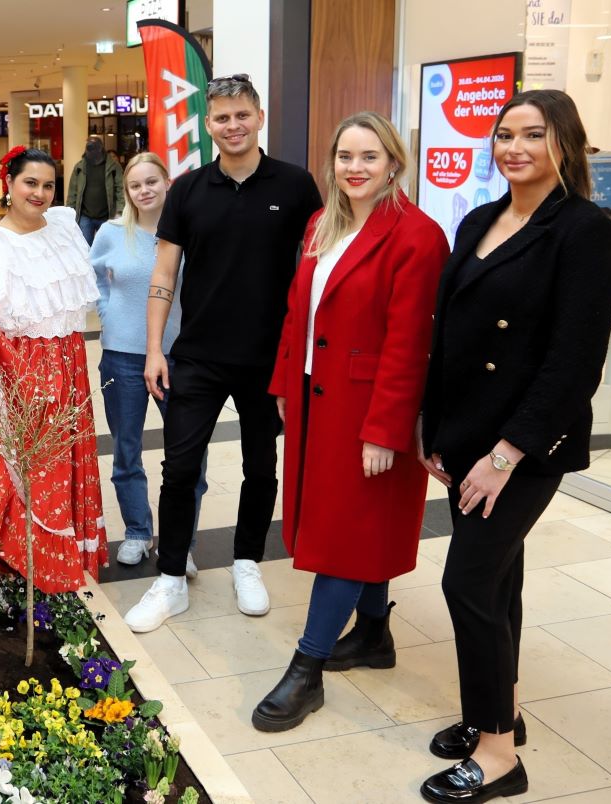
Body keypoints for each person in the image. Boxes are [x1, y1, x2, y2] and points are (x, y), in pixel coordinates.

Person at [416, 90, 611, 804]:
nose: (514, 147)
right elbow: (449, 334)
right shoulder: (480, 218)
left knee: (467, 583)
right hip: (467, 433)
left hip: (525, 445)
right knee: (499, 580)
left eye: (533, 135)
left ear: (564, 143)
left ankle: (499, 756)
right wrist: (434, 427)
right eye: (504, 134)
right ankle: (500, 715)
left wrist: (506, 455)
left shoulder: (585, 229)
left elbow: (574, 362)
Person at [250, 112, 449, 733]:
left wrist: (386, 430)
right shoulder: (322, 222)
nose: (354, 168)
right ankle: (374, 634)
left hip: (368, 410)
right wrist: (285, 384)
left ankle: (306, 669)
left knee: (346, 533)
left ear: (394, 161)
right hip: (317, 400)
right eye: (344, 156)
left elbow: (410, 342)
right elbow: (296, 313)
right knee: (350, 524)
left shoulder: (418, 236)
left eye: (369, 156)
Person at [123, 74, 323, 634]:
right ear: (207, 126)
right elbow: (164, 272)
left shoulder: (297, 185)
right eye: (221, 118)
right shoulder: (187, 190)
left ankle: (246, 561)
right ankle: (169, 579)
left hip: (270, 357)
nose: (232, 126)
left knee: (262, 466)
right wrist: (154, 350)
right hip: (199, 355)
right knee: (180, 467)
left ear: (259, 118)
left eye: (242, 115)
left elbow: (313, 273)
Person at [0, 147, 106, 591]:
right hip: (23, 370)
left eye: (48, 185)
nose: (40, 193)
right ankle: (31, 562)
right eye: (31, 183)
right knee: (35, 465)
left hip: (70, 363)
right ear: (8, 184)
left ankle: (66, 556)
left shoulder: (66, 228)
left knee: (66, 457)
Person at [90, 153, 208, 567]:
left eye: (152, 182)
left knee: (189, 456)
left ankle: (181, 543)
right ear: (127, 192)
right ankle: (138, 531)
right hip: (121, 357)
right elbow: (93, 282)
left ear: (167, 183)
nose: (145, 190)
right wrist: (108, 314)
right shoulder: (110, 233)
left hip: (179, 357)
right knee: (126, 450)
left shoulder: (189, 233)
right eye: (136, 185)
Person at [66, 137, 124, 245]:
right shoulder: (79, 167)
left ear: (101, 149)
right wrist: (69, 212)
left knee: (106, 247)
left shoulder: (113, 167)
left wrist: (119, 211)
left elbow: (121, 189)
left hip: (107, 215)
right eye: (89, 148)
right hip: (85, 216)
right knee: (84, 247)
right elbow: (73, 192)